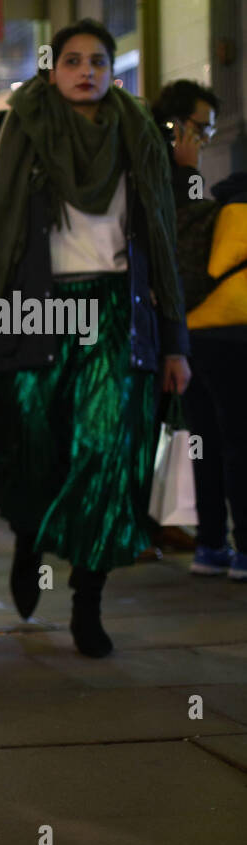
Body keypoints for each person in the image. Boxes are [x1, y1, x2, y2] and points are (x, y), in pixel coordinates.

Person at [0, 19, 190, 658]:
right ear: (52, 70)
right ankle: (30, 540)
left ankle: (88, 602)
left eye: (98, 61)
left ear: (113, 70)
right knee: (33, 445)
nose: (86, 71)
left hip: (116, 313)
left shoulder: (139, 135)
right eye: (73, 60)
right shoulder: (19, 132)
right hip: (37, 311)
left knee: (108, 458)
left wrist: (174, 345)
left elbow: (163, 245)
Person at [153, 80, 247, 580]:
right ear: (176, 127)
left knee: (204, 441)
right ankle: (239, 548)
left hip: (184, 338)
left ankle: (211, 545)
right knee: (233, 441)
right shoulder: (173, 178)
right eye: (201, 129)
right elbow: (186, 248)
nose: (205, 140)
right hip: (206, 334)